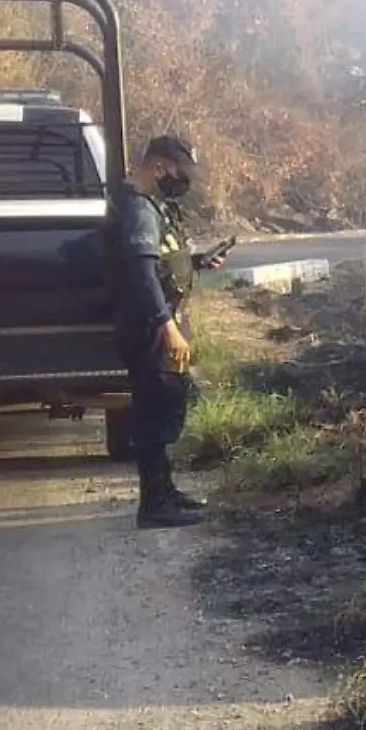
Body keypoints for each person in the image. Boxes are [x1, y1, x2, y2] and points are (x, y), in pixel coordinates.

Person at [107, 134, 233, 529]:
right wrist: (167, 327)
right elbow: (143, 275)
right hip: (149, 326)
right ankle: (154, 505)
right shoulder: (140, 210)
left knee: (164, 401)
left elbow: (159, 263)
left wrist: (194, 261)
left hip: (153, 321)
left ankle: (164, 491)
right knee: (155, 408)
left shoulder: (148, 206)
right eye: (180, 173)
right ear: (158, 167)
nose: (184, 182)